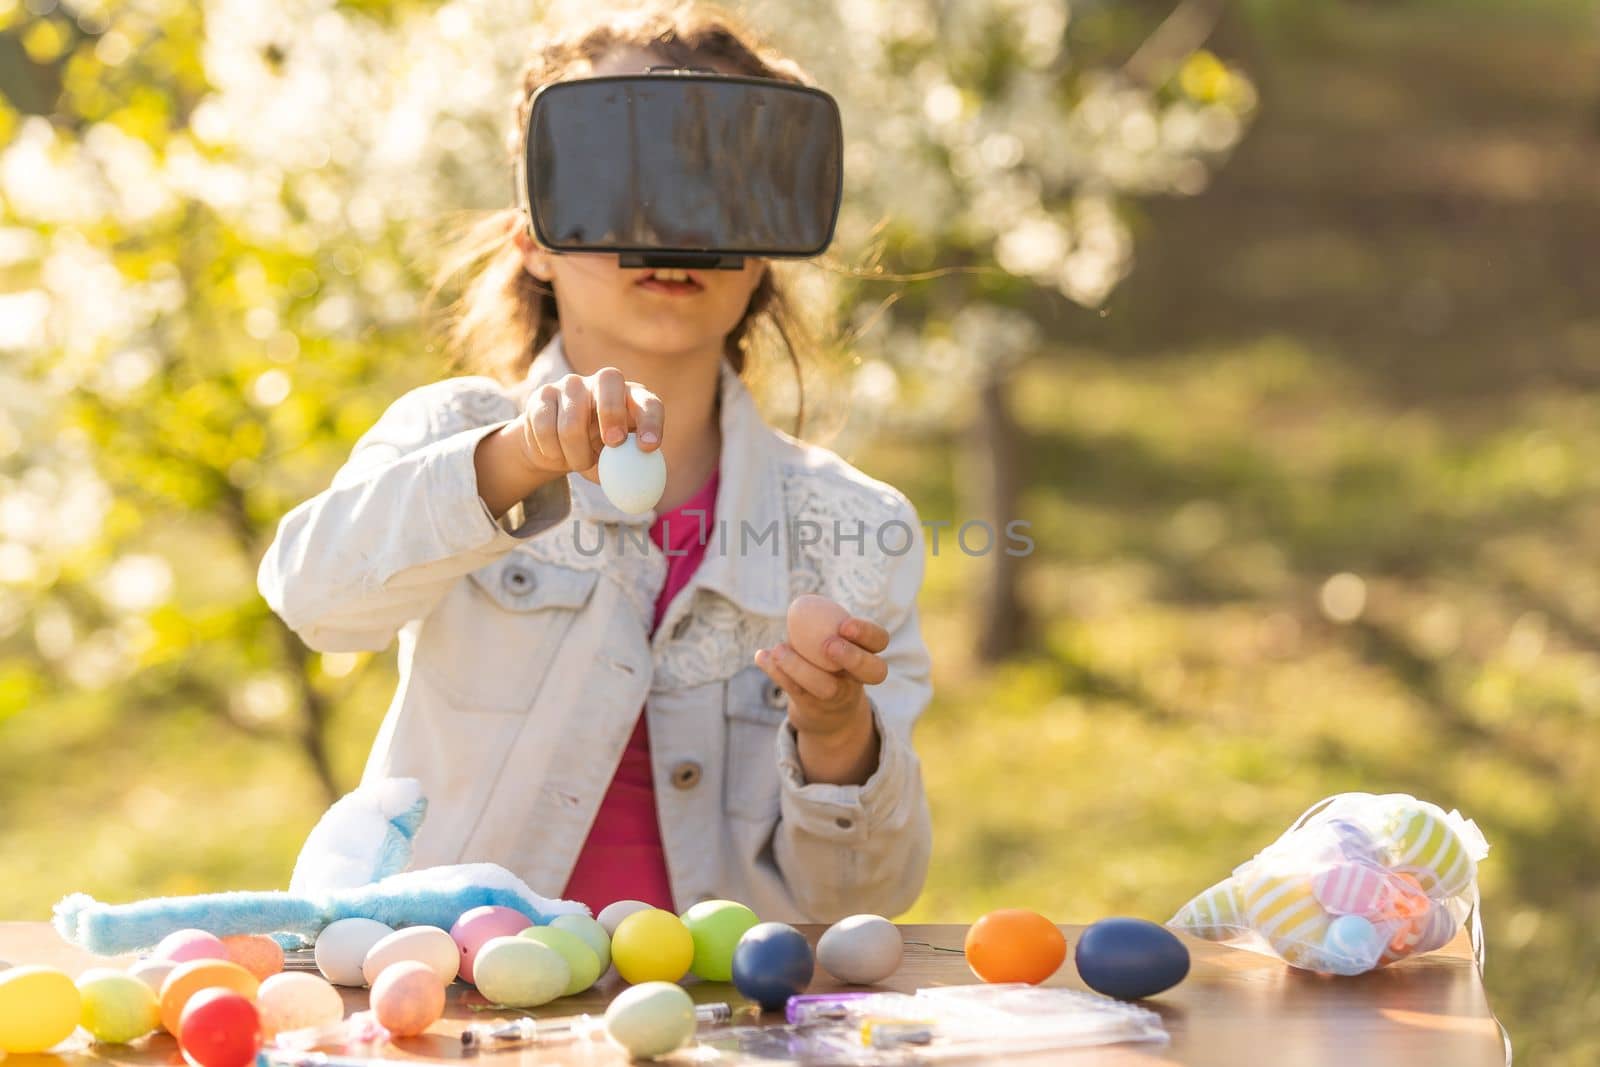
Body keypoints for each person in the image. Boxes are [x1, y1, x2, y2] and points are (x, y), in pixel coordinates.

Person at [258, 3, 932, 923]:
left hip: (721, 1019)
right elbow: (315, 599)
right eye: (622, 174)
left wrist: (838, 732)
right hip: (459, 1001)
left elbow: (866, 899)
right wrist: (516, 461)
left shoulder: (859, 526)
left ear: (765, 253)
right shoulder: (455, 433)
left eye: (717, 183)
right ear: (532, 237)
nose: (674, 227)